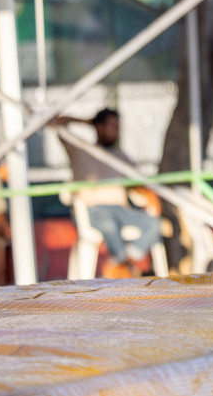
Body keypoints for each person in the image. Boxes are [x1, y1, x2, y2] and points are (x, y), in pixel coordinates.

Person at [51, 108, 164, 278]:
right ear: (99, 127)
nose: (117, 131)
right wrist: (88, 122)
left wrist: (149, 195)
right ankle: (123, 266)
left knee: (155, 224)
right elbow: (56, 122)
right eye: (112, 126)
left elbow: (138, 182)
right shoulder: (81, 151)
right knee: (109, 225)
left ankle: (122, 262)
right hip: (95, 211)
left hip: (122, 211)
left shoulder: (120, 156)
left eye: (118, 126)